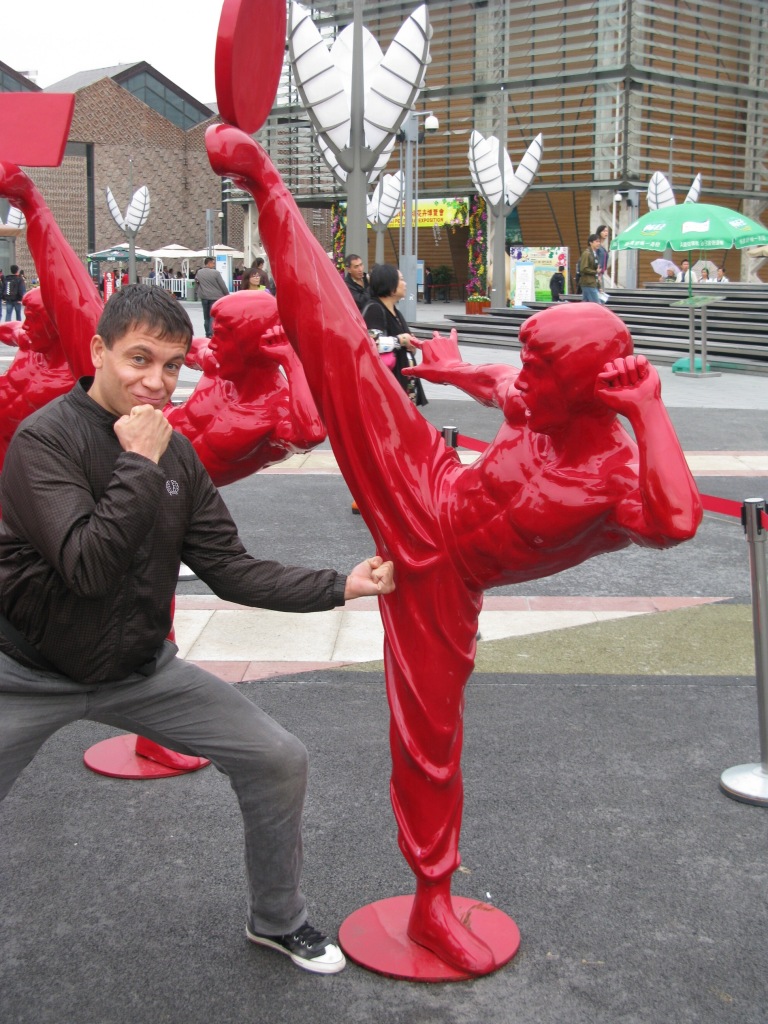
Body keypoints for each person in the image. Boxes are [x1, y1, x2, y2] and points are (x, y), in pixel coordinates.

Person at [205, 123, 702, 976]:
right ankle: (269, 188)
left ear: (592, 388)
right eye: (530, 364)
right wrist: (447, 369)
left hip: (443, 575)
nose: (525, 382)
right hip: (426, 481)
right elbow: (501, 383)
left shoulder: (617, 474)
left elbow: (677, 522)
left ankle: (432, 901)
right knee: (341, 349)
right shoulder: (541, 403)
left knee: (427, 743)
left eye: (544, 372)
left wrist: (650, 411)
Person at [0, 285, 394, 976]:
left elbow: (230, 568)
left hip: (139, 671)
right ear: (98, 351)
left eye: (172, 365)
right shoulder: (45, 441)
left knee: (277, 757)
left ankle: (278, 920)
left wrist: (341, 584)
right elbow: (88, 567)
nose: (156, 381)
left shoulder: (174, 453)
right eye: (139, 359)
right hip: (27, 674)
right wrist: (139, 461)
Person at [167, 290, 325, 485]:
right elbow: (174, 346)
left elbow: (311, 435)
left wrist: (292, 360)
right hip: (141, 447)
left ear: (249, 345)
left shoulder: (277, 412)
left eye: (220, 336)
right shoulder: (214, 363)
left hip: (180, 486)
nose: (213, 344)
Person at [0, 288, 75, 467]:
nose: (26, 325)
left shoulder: (76, 373)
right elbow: (9, 330)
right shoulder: (29, 343)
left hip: (26, 461)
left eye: (32, 318)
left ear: (55, 323)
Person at [362, 263, 427, 407]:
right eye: (401, 280)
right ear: (391, 286)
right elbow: (372, 343)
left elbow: (405, 341)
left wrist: (411, 345)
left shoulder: (396, 312)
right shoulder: (374, 309)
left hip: (403, 384)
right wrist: (401, 340)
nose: (405, 284)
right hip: (387, 387)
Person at [194, 257, 229, 338]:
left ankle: (207, 333)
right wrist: (227, 294)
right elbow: (222, 285)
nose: (214, 265)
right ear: (209, 263)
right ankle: (211, 333)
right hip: (215, 297)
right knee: (212, 316)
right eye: (213, 263)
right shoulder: (216, 273)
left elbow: (197, 282)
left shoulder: (199, 272)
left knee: (206, 317)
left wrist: (198, 291)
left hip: (204, 296)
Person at [578, 234, 602, 302]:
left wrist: (599, 286)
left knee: (586, 304)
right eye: (596, 241)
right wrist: (595, 271)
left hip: (591, 283)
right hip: (588, 283)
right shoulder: (587, 253)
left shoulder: (594, 254)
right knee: (597, 304)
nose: (598, 243)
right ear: (590, 242)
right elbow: (583, 268)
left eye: (599, 241)